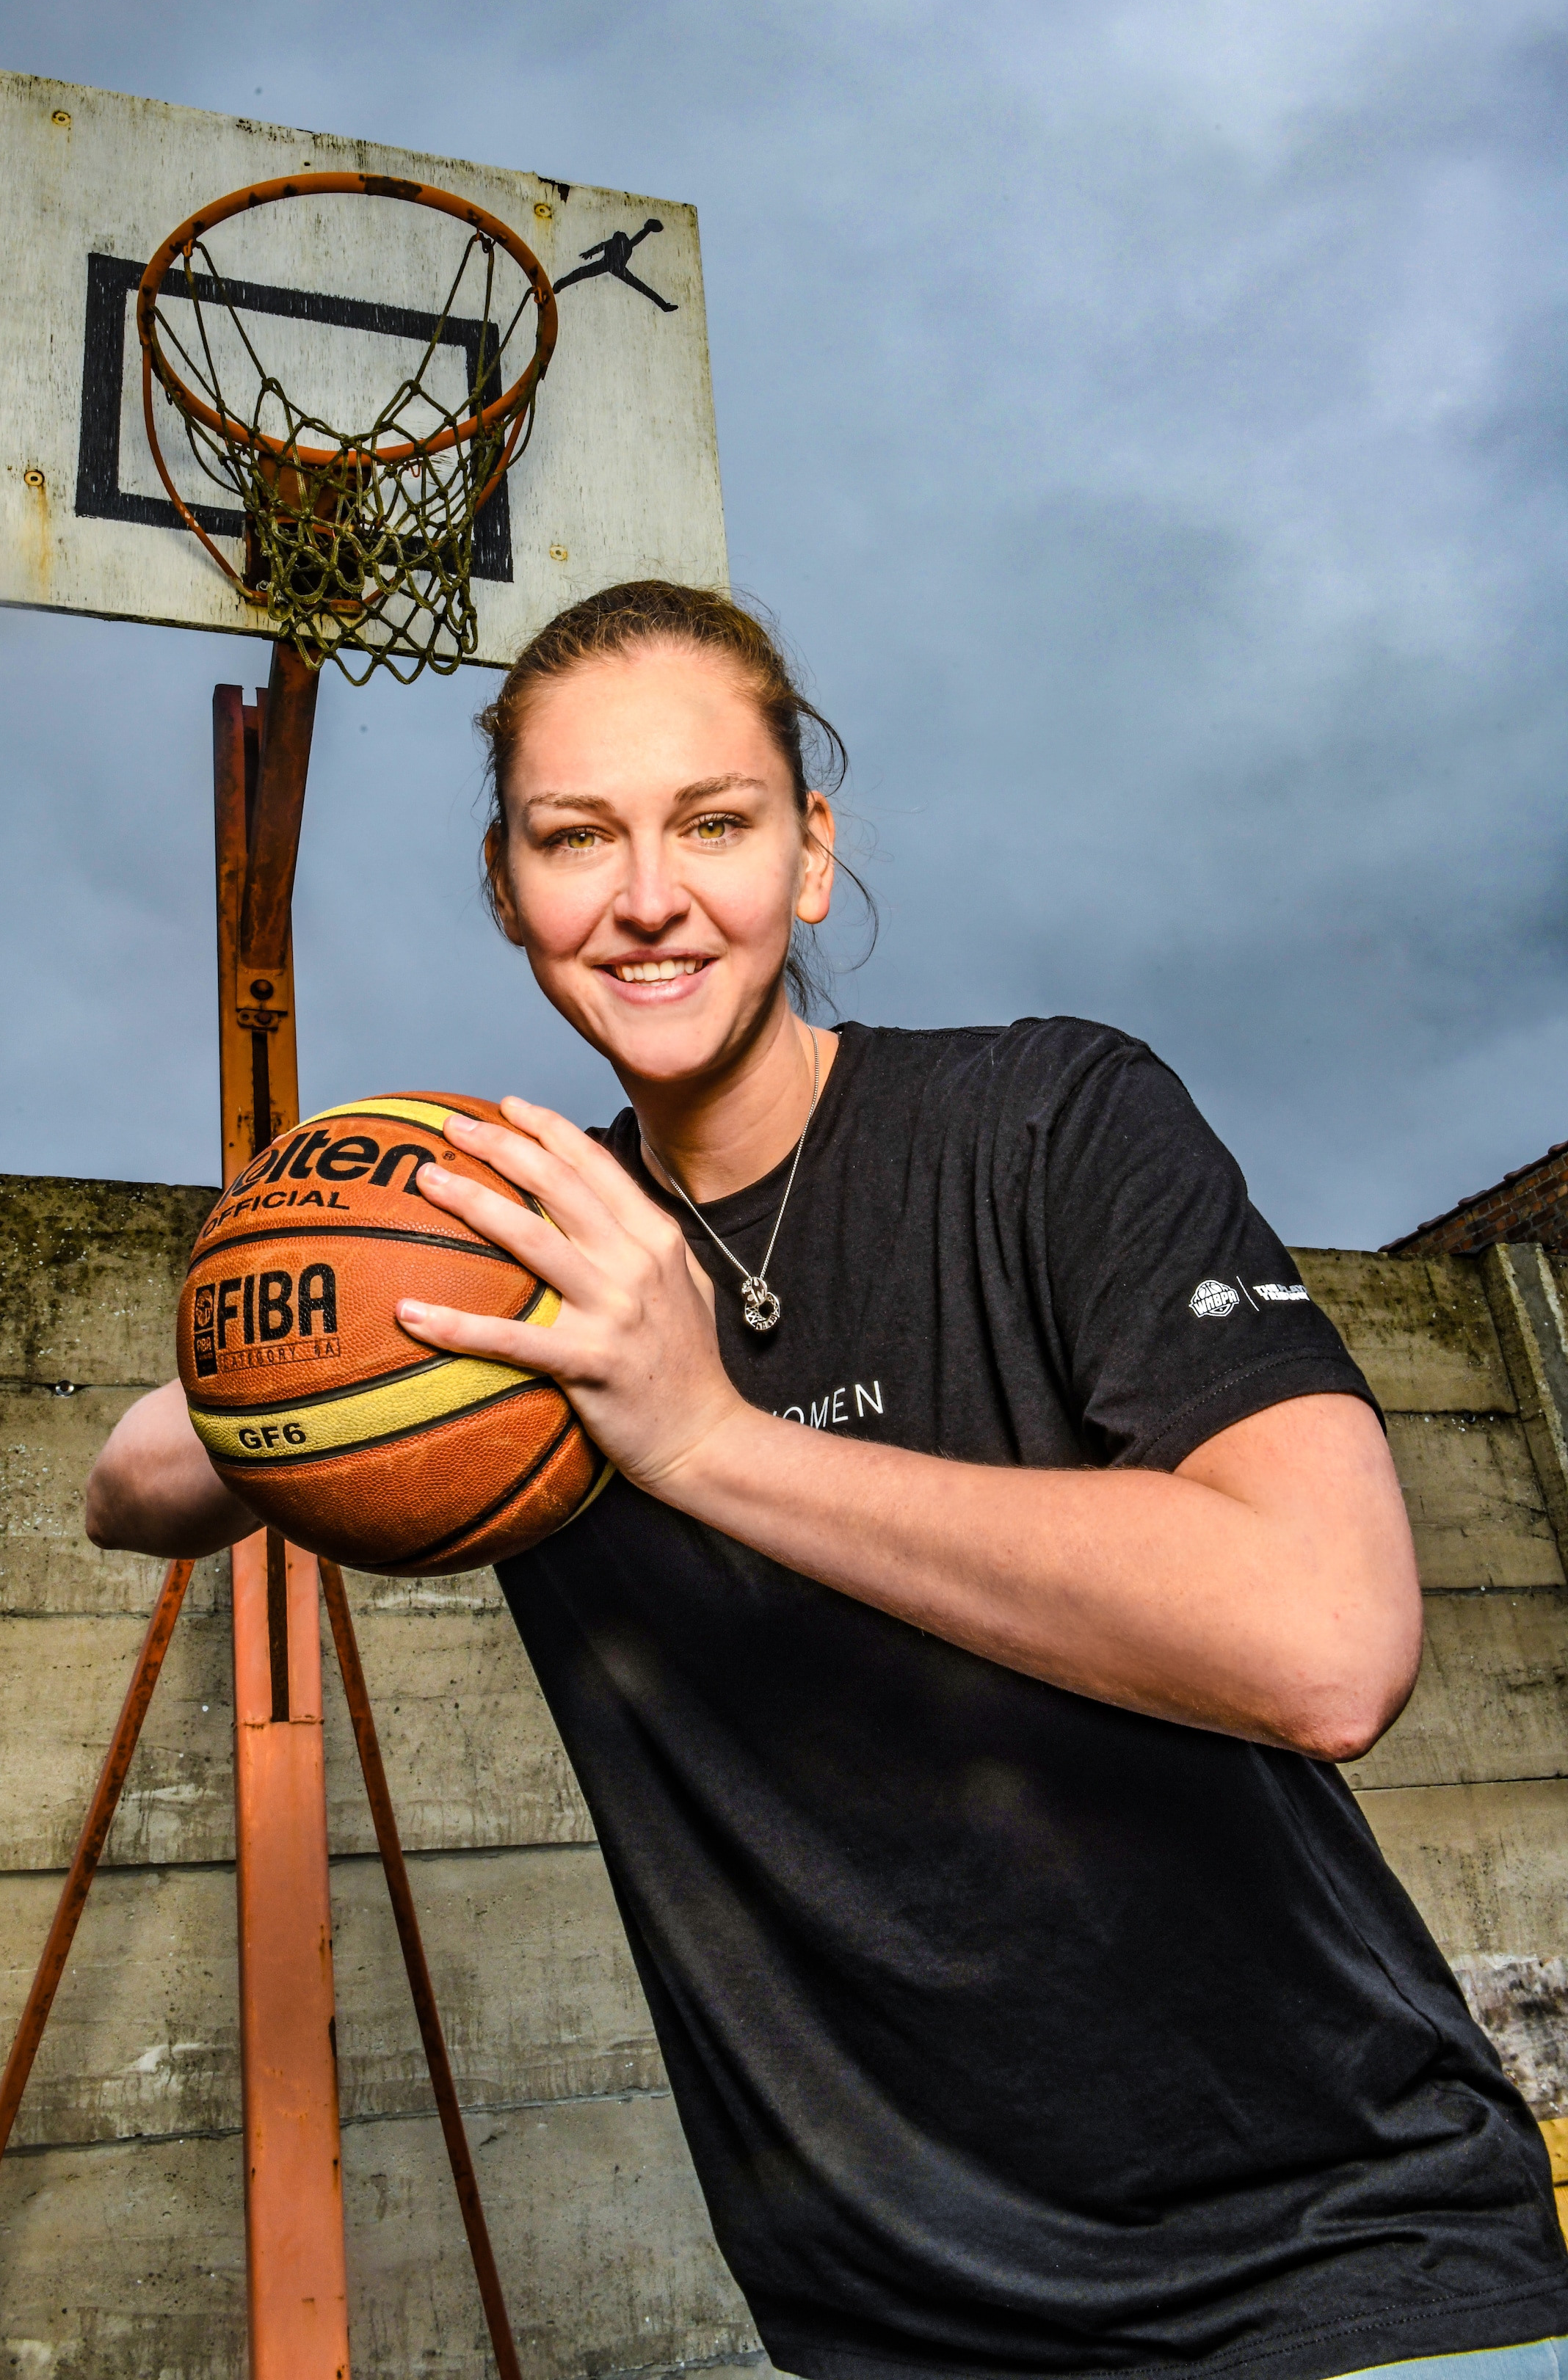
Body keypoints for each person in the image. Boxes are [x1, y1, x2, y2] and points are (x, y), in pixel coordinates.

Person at [89, 581, 1568, 2380]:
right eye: (576, 837)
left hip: (1333, 2268)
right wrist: (341, 1323)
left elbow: (1325, 1644)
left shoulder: (1047, 1123)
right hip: (885, 2333)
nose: (648, 897)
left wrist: (706, 1438)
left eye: (713, 823)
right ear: (507, 890)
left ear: (809, 856)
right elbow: (135, 1482)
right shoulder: (534, 1272)